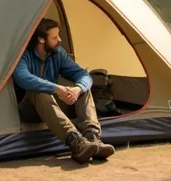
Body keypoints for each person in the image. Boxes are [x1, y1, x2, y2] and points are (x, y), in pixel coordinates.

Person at [13, 18, 115, 164]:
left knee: (82, 88)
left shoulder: (57, 53)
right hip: (30, 109)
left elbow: (83, 75)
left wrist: (77, 89)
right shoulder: (24, 55)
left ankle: (93, 139)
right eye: (55, 37)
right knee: (39, 91)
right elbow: (23, 78)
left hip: (53, 107)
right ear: (41, 39)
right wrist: (56, 88)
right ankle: (76, 143)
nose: (59, 40)